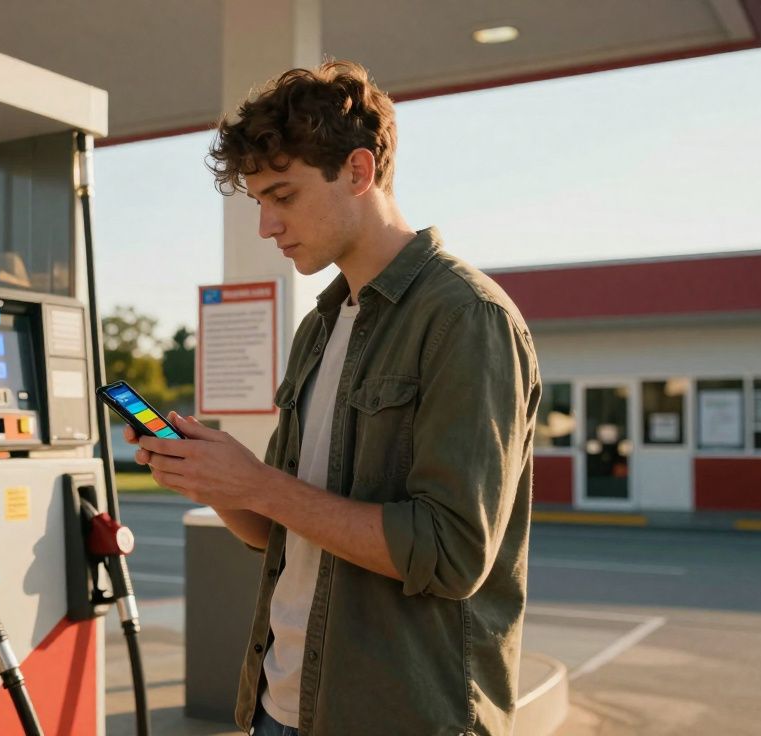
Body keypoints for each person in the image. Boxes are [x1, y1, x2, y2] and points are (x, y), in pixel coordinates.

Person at [126, 60, 541, 735]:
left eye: (282, 196)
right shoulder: (318, 328)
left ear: (358, 171)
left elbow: (451, 554)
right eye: (258, 201)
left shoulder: (467, 318)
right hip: (281, 705)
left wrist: (260, 485)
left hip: (400, 717)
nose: (266, 225)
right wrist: (218, 482)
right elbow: (276, 530)